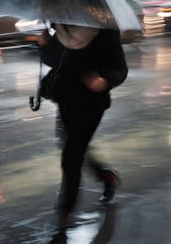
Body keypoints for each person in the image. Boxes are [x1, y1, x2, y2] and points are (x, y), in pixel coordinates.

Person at [37, 23, 128, 228]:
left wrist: (104, 80)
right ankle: (106, 176)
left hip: (92, 103)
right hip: (66, 101)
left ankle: (65, 212)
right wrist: (45, 45)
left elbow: (120, 69)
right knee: (73, 148)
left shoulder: (105, 31)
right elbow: (56, 62)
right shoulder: (63, 29)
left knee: (71, 155)